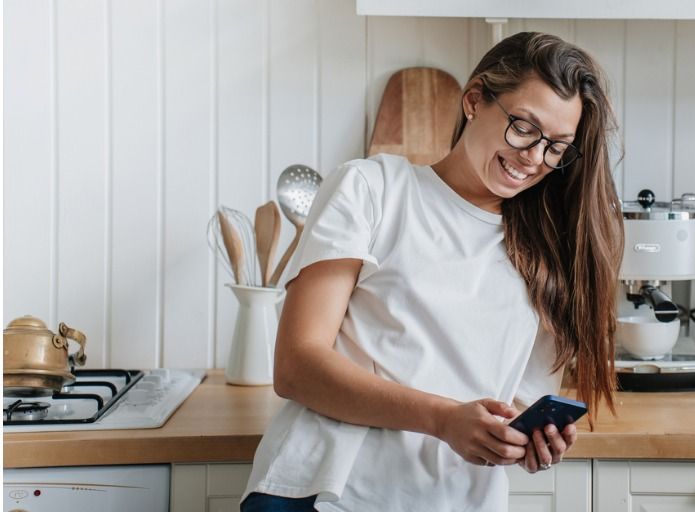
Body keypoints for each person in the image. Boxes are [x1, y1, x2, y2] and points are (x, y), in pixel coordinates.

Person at [240, 31, 623, 512]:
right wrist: (443, 419)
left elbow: (517, 403)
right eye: (524, 127)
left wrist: (524, 435)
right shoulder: (372, 188)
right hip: (324, 491)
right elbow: (297, 367)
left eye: (555, 146)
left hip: (454, 499)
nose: (533, 157)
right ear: (474, 100)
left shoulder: (549, 254)